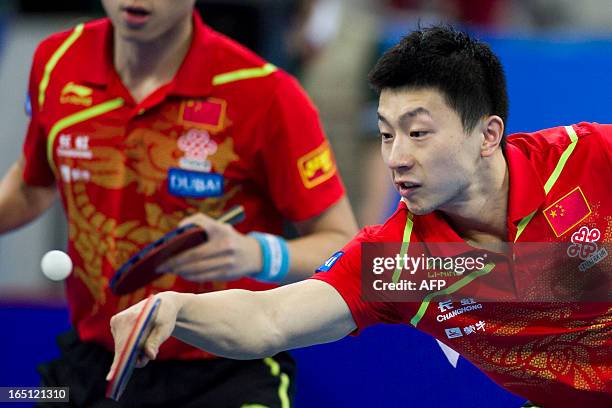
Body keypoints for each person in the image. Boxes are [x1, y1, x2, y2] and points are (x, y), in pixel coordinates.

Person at [109, 25, 612, 407]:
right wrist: (176, 309)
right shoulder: (399, 262)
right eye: (386, 133)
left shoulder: (589, 158)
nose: (395, 157)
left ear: (487, 134)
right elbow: (271, 319)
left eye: (418, 134)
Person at [0, 0, 358, 406]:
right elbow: (32, 187)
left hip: (226, 371)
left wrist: (256, 253)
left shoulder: (266, 93)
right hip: (97, 365)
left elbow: (343, 245)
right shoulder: (56, 61)